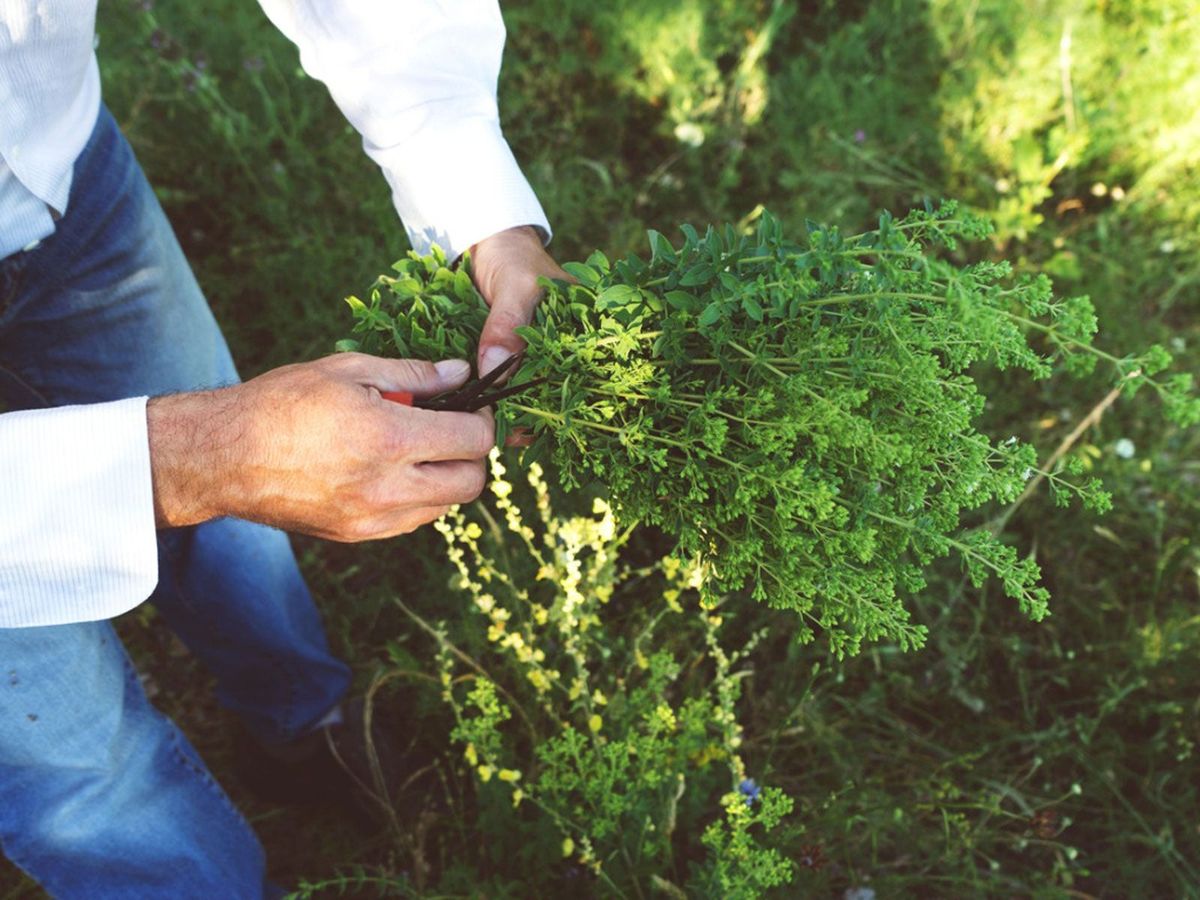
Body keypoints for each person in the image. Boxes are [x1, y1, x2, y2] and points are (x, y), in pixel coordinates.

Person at [0, 1, 565, 895]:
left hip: (56, 170)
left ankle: (304, 726)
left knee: (237, 531)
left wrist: (480, 210)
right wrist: (200, 455)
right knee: (79, 765)